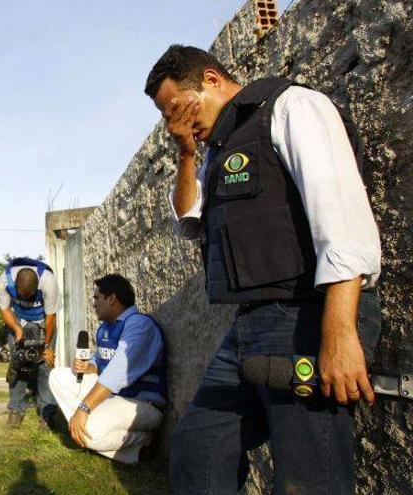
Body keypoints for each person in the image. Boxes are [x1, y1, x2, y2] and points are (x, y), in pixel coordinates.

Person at [145, 45, 382, 493]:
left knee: (310, 478)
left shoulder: (292, 106)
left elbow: (343, 220)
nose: (174, 122)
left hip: (310, 316)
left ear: (211, 81)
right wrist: (185, 152)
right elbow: (187, 219)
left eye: (176, 108)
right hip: (250, 325)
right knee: (198, 449)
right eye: (164, 116)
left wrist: (339, 332)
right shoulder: (215, 151)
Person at [49, 274, 165, 464]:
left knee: (90, 432)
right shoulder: (105, 329)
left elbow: (115, 374)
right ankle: (83, 426)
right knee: (57, 375)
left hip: (141, 404)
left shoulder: (139, 325)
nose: (93, 304)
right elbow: (99, 363)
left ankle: (142, 440)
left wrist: (84, 408)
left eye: (97, 298)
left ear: (112, 299)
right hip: (114, 397)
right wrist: (88, 367)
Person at [0, 257, 61, 428]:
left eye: (30, 296)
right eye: (22, 296)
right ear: (16, 287)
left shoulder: (48, 281)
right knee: (18, 364)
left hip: (43, 321)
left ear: (37, 287)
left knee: (45, 366)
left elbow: (51, 317)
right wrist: (17, 330)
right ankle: (16, 409)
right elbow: (4, 310)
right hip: (18, 320)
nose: (27, 300)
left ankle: (47, 413)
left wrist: (46, 347)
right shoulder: (4, 281)